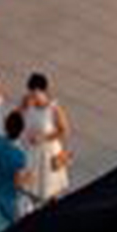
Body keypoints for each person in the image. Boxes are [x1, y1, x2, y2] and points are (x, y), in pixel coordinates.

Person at [17, 73, 73, 203]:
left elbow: (64, 130)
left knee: (51, 189)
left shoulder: (53, 108)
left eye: (35, 92)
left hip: (49, 154)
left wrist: (44, 138)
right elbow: (16, 120)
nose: (32, 96)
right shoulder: (28, 104)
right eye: (30, 92)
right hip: (32, 153)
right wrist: (22, 106)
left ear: (43, 91)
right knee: (32, 189)